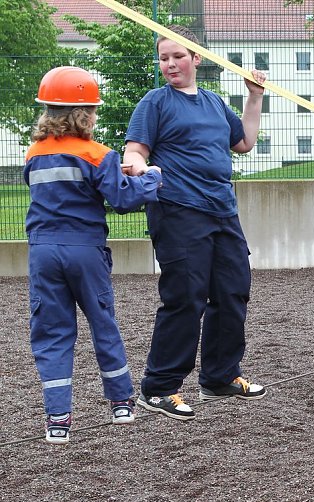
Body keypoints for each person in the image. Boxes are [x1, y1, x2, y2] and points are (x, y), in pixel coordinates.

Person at [124, 25, 267, 421]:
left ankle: (220, 376)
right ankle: (159, 387)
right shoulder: (155, 102)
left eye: (177, 56)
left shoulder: (215, 103)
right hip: (178, 208)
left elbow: (244, 143)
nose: (170, 64)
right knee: (186, 296)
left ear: (196, 58)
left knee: (233, 290)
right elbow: (134, 151)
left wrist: (254, 97)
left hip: (221, 209)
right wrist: (142, 169)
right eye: (164, 58)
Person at [24, 66, 162, 443]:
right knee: (103, 323)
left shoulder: (33, 154)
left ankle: (57, 420)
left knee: (52, 333)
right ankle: (121, 404)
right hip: (85, 249)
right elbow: (123, 199)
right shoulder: (99, 154)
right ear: (85, 113)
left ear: (48, 111)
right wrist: (150, 175)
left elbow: (61, 183)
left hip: (43, 250)